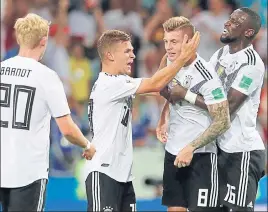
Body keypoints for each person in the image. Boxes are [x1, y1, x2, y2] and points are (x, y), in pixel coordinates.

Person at [84, 29, 200, 211]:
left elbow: (157, 83)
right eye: (127, 51)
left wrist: (170, 55)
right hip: (104, 172)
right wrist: (182, 57)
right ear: (109, 55)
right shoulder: (109, 84)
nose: (133, 55)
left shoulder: (120, 82)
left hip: (123, 176)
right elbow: (155, 83)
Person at [164, 8, 266, 212]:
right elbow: (204, 89)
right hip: (217, 149)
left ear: (248, 32)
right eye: (229, 19)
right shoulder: (220, 54)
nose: (227, 23)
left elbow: (227, 107)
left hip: (241, 151)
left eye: (235, 22)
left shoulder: (253, 65)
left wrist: (185, 94)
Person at [0, 13, 96, 211]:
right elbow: (67, 130)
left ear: (19, 38)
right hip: (28, 172)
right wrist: (87, 145)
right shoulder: (47, 77)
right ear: (44, 41)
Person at [156, 17, 230, 212]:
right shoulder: (168, 64)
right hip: (173, 152)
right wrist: (163, 118)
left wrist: (191, 148)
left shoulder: (205, 74)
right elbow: (170, 96)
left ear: (189, 42)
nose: (168, 47)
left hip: (201, 157)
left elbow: (223, 120)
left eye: (174, 42)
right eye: (165, 41)